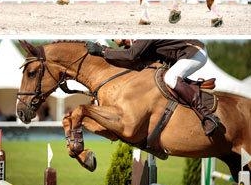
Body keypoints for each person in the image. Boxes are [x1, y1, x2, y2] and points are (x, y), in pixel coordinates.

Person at [86, 39, 219, 135]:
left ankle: (207, 116)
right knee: (169, 77)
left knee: (170, 78)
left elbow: (131, 55)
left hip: (194, 52)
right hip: (184, 55)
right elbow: (135, 64)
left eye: (118, 40)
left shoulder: (142, 36)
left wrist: (103, 51)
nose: (118, 43)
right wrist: (104, 54)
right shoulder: (141, 44)